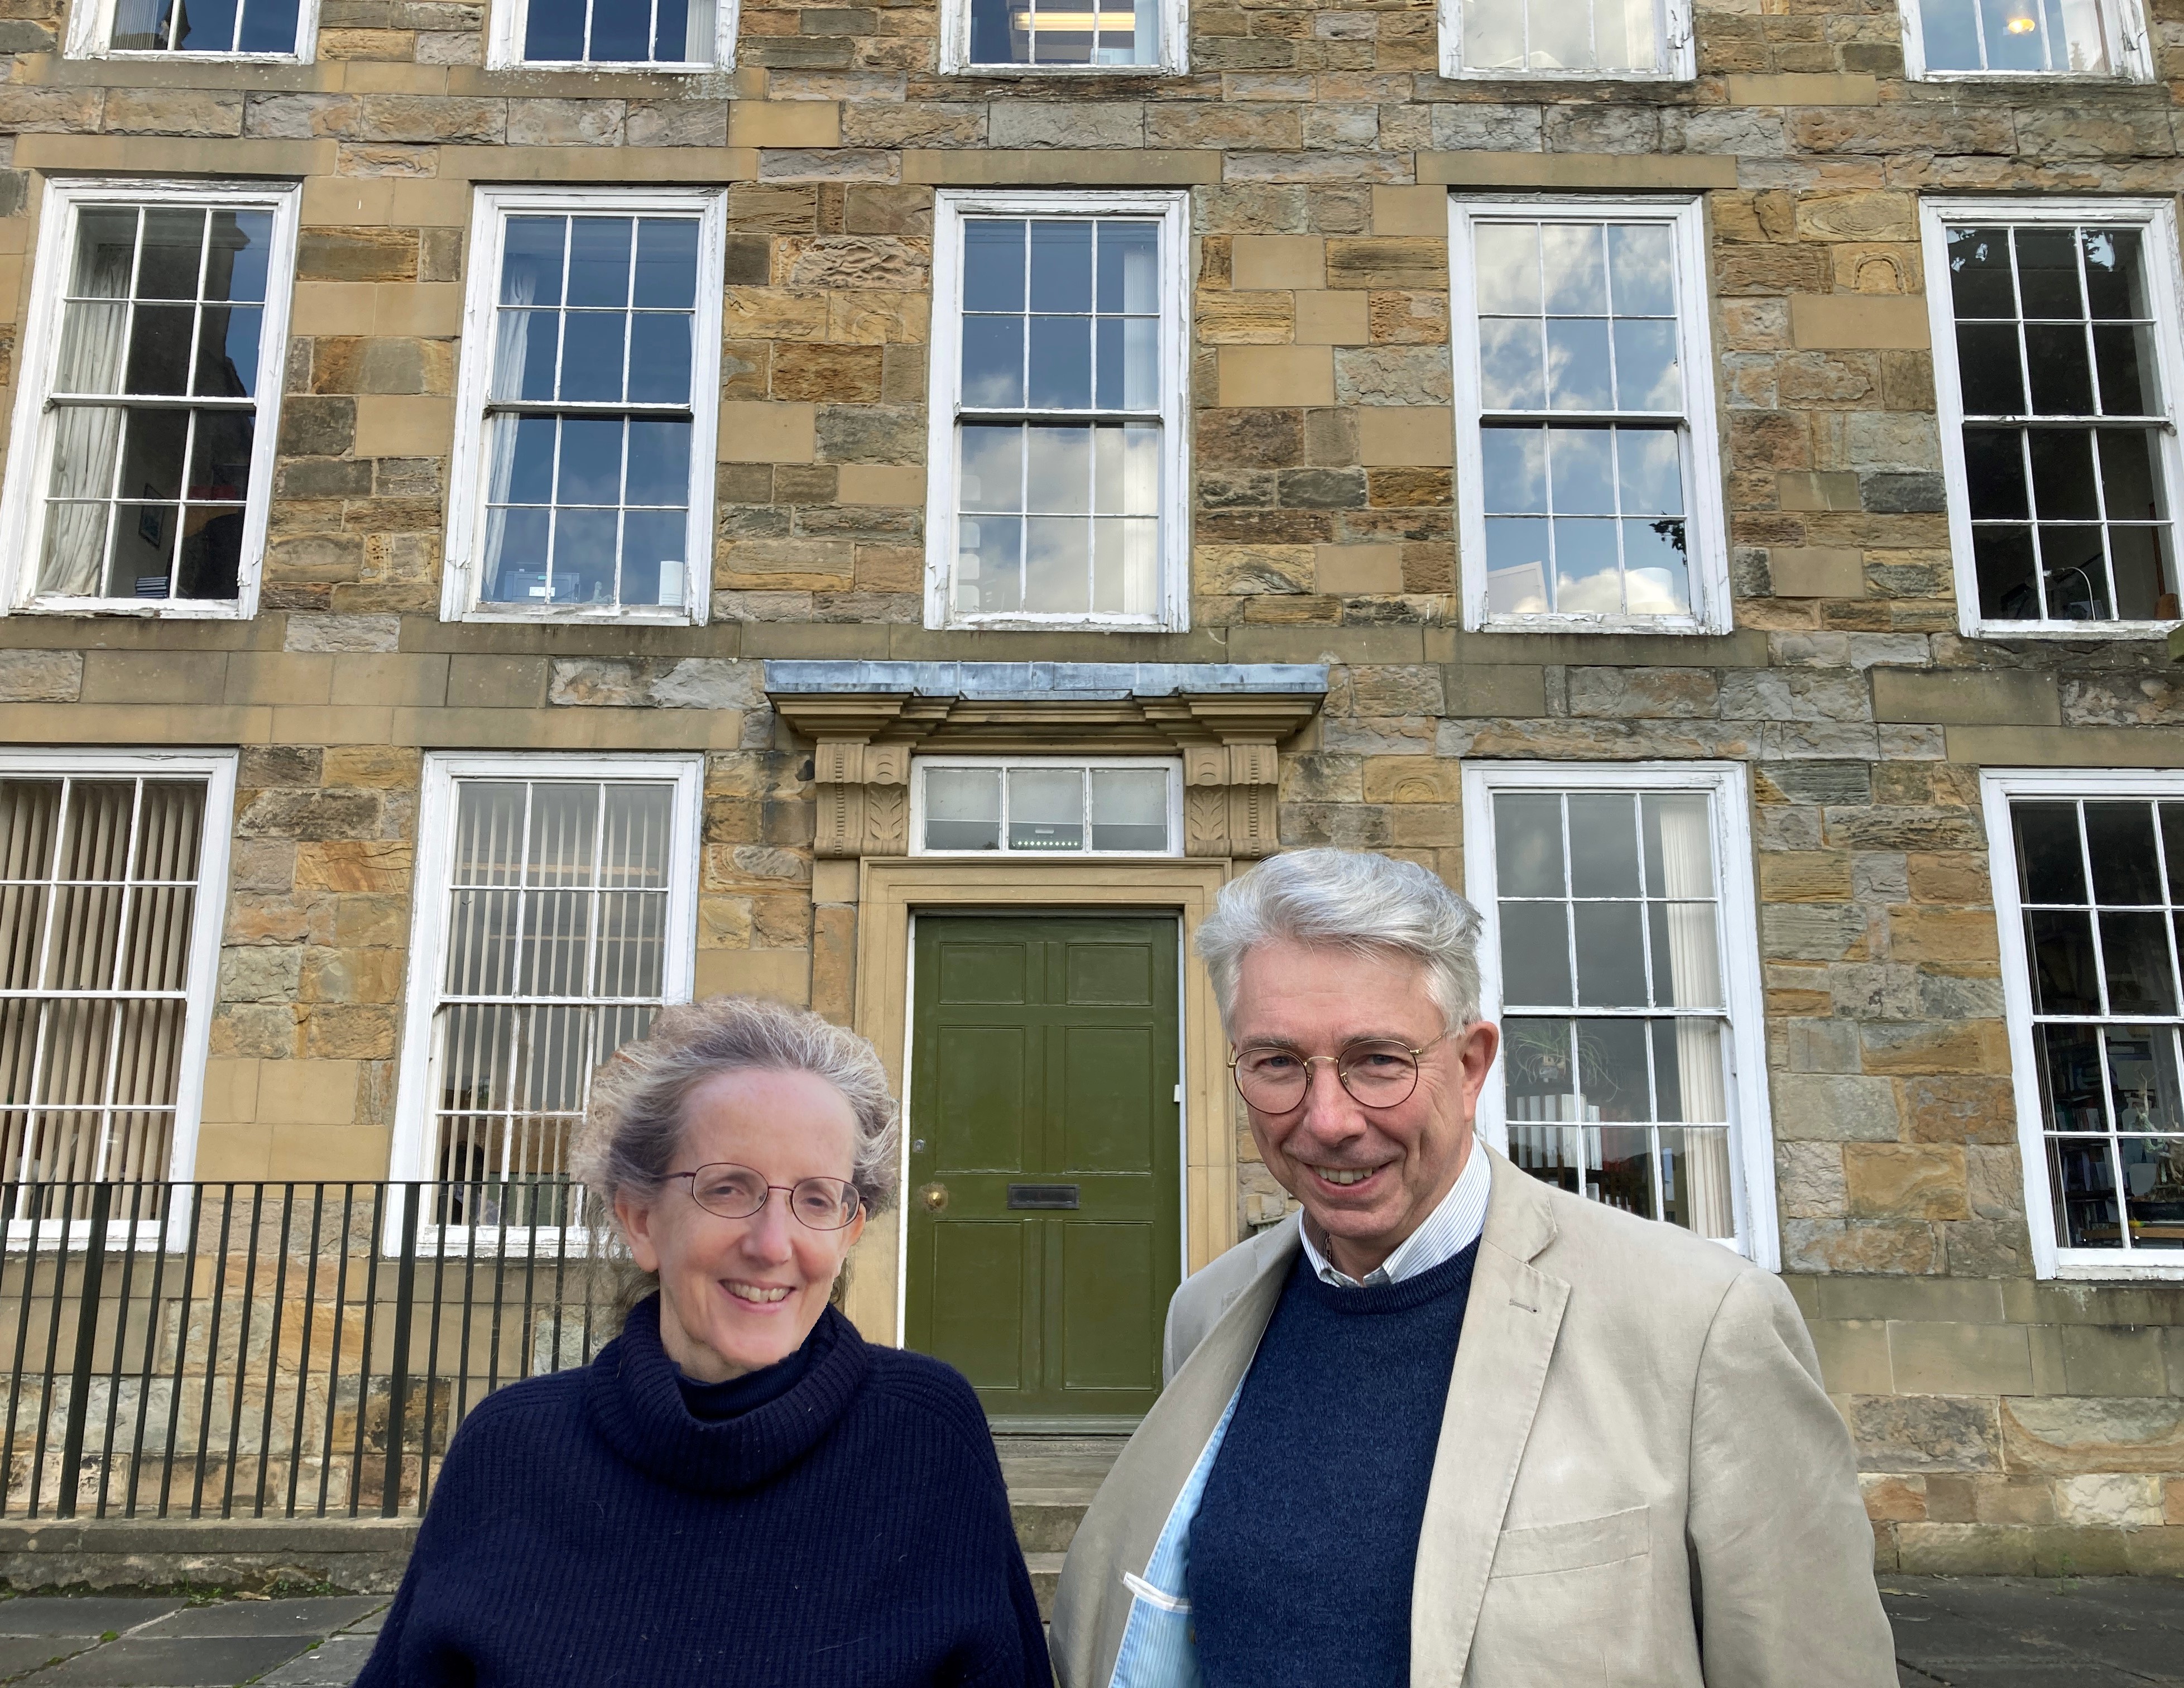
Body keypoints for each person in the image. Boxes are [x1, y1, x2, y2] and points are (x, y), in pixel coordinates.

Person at [1050, 847, 1894, 1688]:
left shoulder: (1705, 1321)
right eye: (1277, 1063)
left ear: (1469, 1065)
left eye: (1377, 1060)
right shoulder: (1208, 1311)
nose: (1329, 1120)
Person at [356, 995, 1051, 1688]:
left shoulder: (926, 1437)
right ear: (640, 1220)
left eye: (814, 1199)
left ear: (849, 1232)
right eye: (727, 1188)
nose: (772, 1244)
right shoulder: (510, 1450)